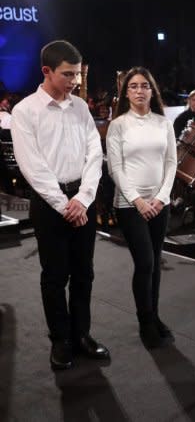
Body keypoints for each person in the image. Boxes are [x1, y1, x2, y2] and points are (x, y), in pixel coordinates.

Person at [10, 40, 108, 370]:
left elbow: (95, 153)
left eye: (78, 74)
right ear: (46, 71)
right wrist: (65, 203)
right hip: (49, 204)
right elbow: (32, 166)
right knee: (54, 276)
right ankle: (61, 341)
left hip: (82, 198)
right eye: (68, 74)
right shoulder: (25, 111)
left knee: (85, 273)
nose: (75, 81)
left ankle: (82, 334)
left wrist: (82, 198)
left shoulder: (80, 107)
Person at [106, 67, 177, 349]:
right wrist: (137, 200)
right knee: (145, 262)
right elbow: (115, 167)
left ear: (152, 90)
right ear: (126, 92)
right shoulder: (118, 125)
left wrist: (161, 197)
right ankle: (145, 322)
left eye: (144, 85)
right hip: (129, 204)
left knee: (155, 263)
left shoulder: (164, 123)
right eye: (133, 86)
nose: (139, 90)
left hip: (160, 203)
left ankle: (155, 315)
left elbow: (172, 162)